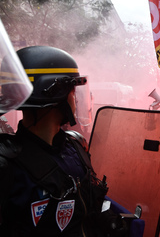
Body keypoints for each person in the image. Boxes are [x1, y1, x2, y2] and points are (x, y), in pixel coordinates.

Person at [0, 46, 126, 236]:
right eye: (73, 91)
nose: (76, 98)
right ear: (54, 93)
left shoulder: (76, 145)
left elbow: (89, 201)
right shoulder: (6, 166)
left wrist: (106, 220)